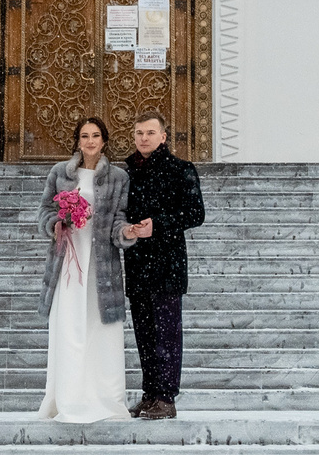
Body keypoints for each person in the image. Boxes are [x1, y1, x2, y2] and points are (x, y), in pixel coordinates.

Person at [38, 116, 131, 423]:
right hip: (68, 260)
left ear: (104, 140)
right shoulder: (60, 174)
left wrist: (125, 233)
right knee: (70, 327)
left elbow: (118, 219)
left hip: (102, 264)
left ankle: (104, 397)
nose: (90, 141)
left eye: (95, 136)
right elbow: (44, 213)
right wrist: (57, 223)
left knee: (100, 327)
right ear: (77, 141)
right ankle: (70, 397)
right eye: (84, 136)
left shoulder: (118, 177)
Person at [120, 110, 204, 420]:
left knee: (167, 333)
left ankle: (166, 397)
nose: (144, 138)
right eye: (139, 133)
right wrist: (126, 229)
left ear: (163, 137)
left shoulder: (181, 170)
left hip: (167, 263)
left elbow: (195, 213)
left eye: (150, 133)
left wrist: (160, 224)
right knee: (144, 332)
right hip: (138, 263)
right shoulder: (127, 173)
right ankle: (150, 393)